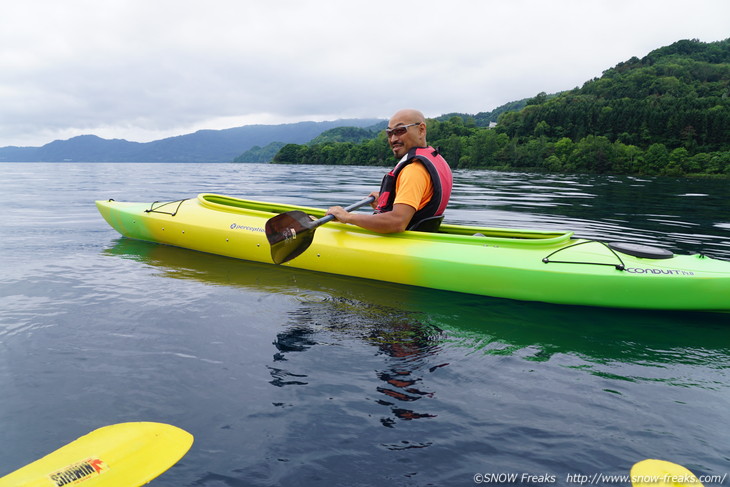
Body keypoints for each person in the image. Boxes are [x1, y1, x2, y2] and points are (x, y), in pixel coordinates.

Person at [326, 109, 452, 233]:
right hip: (421, 237)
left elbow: (397, 222)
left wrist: (348, 217)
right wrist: (387, 201)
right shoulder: (437, 160)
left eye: (400, 131)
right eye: (390, 133)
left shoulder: (414, 171)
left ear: (421, 130)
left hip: (404, 245)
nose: (393, 139)